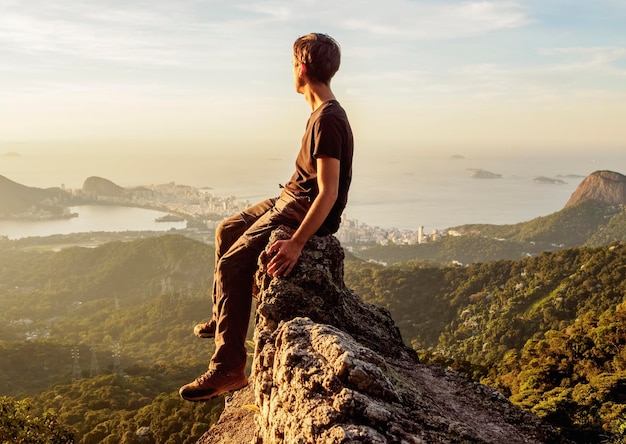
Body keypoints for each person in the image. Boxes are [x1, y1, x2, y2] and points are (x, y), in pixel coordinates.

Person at [179, 33, 354, 402]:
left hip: (298, 210)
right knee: (226, 229)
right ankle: (226, 317)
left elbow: (329, 192)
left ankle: (228, 368)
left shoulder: (328, 120)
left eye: (293, 65)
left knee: (231, 266)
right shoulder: (321, 114)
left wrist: (296, 243)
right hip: (288, 197)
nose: (291, 71)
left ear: (302, 69)